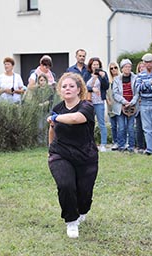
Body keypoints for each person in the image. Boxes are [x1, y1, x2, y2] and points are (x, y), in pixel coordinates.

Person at [47, 73, 98, 238]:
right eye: (64, 86)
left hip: (86, 156)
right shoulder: (57, 108)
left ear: (79, 89)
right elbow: (52, 129)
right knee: (66, 185)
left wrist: (56, 118)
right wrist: (50, 149)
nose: (67, 89)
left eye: (71, 86)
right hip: (60, 153)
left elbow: (77, 118)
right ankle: (71, 221)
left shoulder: (87, 107)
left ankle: (82, 210)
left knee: (84, 192)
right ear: (60, 90)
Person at [112, 59, 139, 152]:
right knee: (121, 127)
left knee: (131, 128)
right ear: (122, 68)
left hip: (132, 107)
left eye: (129, 67)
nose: (128, 68)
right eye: (125, 67)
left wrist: (132, 102)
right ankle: (121, 146)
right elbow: (115, 93)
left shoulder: (135, 78)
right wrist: (124, 102)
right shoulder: (117, 79)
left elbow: (137, 92)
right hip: (121, 106)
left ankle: (131, 146)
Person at [85, 57, 109, 152]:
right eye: (94, 64)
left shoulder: (103, 74)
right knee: (89, 123)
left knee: (101, 123)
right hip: (89, 101)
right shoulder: (87, 74)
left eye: (97, 64)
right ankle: (90, 143)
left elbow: (106, 86)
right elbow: (84, 86)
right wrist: (92, 88)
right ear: (90, 65)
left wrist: (103, 77)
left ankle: (103, 144)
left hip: (99, 102)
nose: (95, 66)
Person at [107, 61, 120, 150]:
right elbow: (105, 92)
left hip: (120, 105)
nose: (113, 70)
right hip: (111, 105)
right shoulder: (108, 81)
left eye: (115, 67)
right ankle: (115, 142)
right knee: (113, 125)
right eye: (111, 68)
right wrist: (107, 100)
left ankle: (122, 141)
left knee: (121, 125)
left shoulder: (121, 79)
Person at [134, 62, 146, 153]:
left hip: (147, 104)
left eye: (143, 67)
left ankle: (148, 145)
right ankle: (140, 146)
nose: (142, 68)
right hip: (138, 106)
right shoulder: (136, 78)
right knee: (139, 126)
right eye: (140, 67)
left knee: (148, 127)